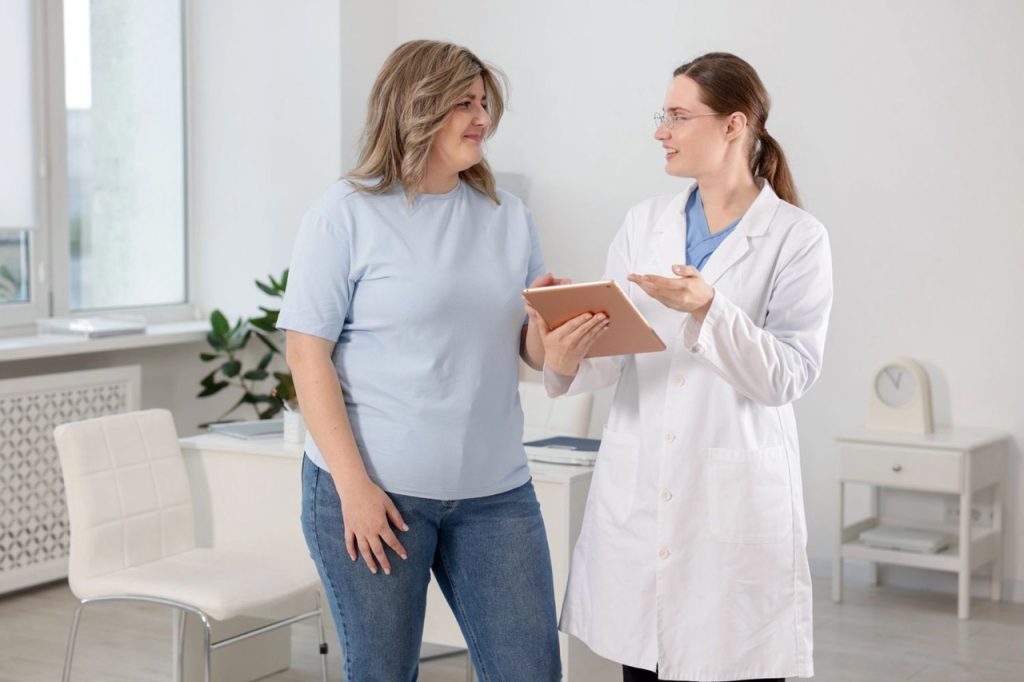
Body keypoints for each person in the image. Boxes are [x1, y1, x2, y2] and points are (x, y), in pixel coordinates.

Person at [530, 52, 833, 681]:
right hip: (643, 492)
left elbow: (788, 376)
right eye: (660, 115)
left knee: (735, 659)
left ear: (733, 125)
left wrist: (710, 310)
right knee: (648, 663)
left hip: (733, 504)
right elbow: (616, 357)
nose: (660, 131)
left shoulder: (796, 238)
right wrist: (561, 355)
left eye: (676, 115)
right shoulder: (645, 223)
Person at [278, 40, 563, 682]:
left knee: (532, 671)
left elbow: (525, 345)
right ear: (415, 106)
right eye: (464, 102)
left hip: (496, 491)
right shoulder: (344, 214)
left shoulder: (507, 216)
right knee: (383, 673)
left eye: (485, 103)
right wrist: (354, 489)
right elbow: (306, 352)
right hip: (377, 490)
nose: (481, 117)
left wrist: (557, 332)